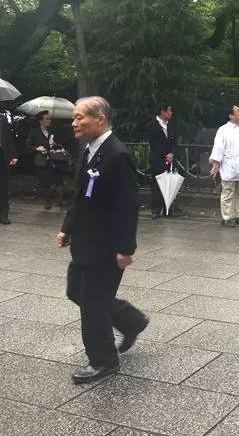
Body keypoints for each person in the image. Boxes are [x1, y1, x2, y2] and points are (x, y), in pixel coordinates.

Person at [57, 96, 148, 384]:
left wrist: (125, 247)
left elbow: (128, 204)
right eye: (74, 117)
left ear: (101, 118)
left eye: (80, 117)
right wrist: (67, 228)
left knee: (93, 303)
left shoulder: (116, 154)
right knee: (76, 291)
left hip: (106, 246)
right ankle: (130, 319)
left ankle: (103, 361)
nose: (74, 123)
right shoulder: (89, 150)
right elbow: (81, 195)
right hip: (85, 241)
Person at [209, 105, 239, 227]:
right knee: (228, 192)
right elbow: (218, 149)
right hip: (229, 165)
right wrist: (216, 165)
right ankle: (226, 217)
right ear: (231, 115)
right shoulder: (223, 130)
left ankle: (238, 215)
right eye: (238, 111)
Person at [25, 111, 66, 209]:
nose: (49, 120)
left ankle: (60, 200)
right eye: (46, 119)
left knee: (57, 180)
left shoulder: (52, 132)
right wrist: (37, 148)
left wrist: (54, 144)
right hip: (41, 161)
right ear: (41, 121)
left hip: (53, 160)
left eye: (49, 118)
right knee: (44, 182)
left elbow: (59, 144)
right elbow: (27, 145)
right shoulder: (34, 132)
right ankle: (47, 202)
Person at [145, 103, 180, 219]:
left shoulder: (171, 125)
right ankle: (156, 209)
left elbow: (175, 141)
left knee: (169, 184)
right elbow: (154, 144)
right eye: (169, 111)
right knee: (156, 184)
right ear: (162, 112)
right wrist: (165, 154)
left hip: (170, 159)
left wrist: (172, 153)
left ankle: (168, 208)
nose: (171, 113)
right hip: (158, 159)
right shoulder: (152, 125)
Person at [0, 112, 18, 224]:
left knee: (3, 186)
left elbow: (8, 138)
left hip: (2, 156)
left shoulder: (2, 118)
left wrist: (13, 155)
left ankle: (4, 215)